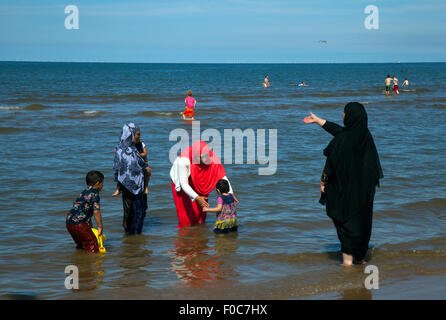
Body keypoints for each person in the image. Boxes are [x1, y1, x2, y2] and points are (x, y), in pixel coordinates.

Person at [303, 102, 383, 266]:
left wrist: (323, 181)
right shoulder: (365, 136)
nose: (342, 115)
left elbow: (331, 163)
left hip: (344, 190)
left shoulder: (342, 140)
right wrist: (319, 121)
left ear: (350, 116)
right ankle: (360, 260)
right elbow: (339, 131)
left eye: (344, 113)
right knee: (362, 224)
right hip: (364, 192)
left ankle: (347, 264)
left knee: (344, 223)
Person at [170, 140, 238, 228]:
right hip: (183, 185)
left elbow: (222, 176)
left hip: (200, 183)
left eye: (207, 155)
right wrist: (197, 197)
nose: (207, 158)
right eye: (203, 157)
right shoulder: (183, 161)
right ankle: (184, 239)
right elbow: (184, 184)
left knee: (201, 217)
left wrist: (230, 194)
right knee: (187, 218)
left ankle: (199, 237)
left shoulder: (210, 156)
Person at [113, 122, 150, 234]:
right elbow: (117, 168)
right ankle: (134, 239)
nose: (139, 136)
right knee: (136, 212)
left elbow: (117, 169)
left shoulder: (131, 148)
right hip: (130, 186)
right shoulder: (124, 150)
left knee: (136, 211)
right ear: (131, 134)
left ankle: (132, 241)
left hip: (138, 185)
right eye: (137, 134)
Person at [66, 170, 104, 253]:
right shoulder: (95, 194)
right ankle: (94, 262)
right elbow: (96, 212)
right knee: (92, 244)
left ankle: (81, 261)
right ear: (98, 183)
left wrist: (90, 227)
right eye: (102, 183)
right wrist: (100, 227)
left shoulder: (84, 192)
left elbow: (84, 211)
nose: (103, 185)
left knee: (82, 245)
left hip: (69, 223)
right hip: (79, 224)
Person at [112, 128, 151, 196]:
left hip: (143, 163)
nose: (139, 137)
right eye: (138, 135)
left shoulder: (141, 144)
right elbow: (115, 150)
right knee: (120, 172)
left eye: (139, 135)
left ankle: (146, 187)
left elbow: (145, 153)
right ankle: (118, 189)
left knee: (148, 171)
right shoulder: (125, 144)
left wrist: (137, 154)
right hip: (131, 164)